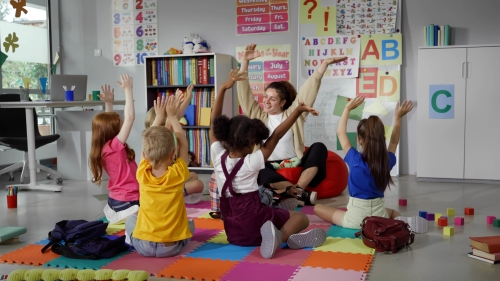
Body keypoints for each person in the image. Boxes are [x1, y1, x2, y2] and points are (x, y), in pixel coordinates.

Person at [210, 69, 327, 259]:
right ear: (250, 144)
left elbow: (214, 123)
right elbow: (277, 134)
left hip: (234, 234)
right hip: (255, 224)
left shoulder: (217, 156)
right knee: (301, 218)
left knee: (274, 209)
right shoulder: (253, 160)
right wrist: (297, 110)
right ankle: (281, 237)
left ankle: (277, 227)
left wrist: (223, 89)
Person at [238, 43, 348, 206]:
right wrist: (245, 63)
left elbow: (307, 92)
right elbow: (244, 94)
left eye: (272, 99)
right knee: (256, 164)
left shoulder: (293, 115)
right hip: (269, 166)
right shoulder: (258, 117)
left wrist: (323, 66)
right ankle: (300, 195)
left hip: (294, 161)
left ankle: (296, 191)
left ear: (282, 102)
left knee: (319, 147)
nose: (266, 101)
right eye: (265, 97)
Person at [314, 97, 428, 233]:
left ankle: (392, 223)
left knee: (317, 208)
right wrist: (398, 117)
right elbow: (394, 142)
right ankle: (399, 223)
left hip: (355, 219)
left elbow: (340, 132)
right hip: (379, 217)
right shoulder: (386, 161)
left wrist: (347, 108)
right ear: (382, 138)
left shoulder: (354, 159)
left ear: (360, 140)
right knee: (393, 212)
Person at [125, 95, 194, 257]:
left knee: (130, 220)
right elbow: (183, 142)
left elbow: (147, 140)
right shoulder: (178, 173)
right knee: (190, 226)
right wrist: (172, 117)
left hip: (144, 246)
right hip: (172, 247)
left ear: (144, 155)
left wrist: (160, 116)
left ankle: (131, 240)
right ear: (173, 154)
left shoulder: (142, 173)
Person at [89, 74, 139, 224]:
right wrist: (128, 90)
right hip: (128, 201)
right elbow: (130, 117)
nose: (122, 123)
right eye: (119, 123)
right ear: (113, 130)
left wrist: (109, 104)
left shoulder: (104, 148)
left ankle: (117, 213)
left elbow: (107, 123)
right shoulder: (115, 147)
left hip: (114, 200)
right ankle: (128, 214)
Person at [144, 85, 204, 204]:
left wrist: (188, 97)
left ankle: (176, 191)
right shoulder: (167, 133)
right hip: (170, 179)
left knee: (193, 175)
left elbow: (176, 115)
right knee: (198, 184)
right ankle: (175, 192)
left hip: (170, 176)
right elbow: (174, 119)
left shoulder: (150, 143)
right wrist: (177, 103)